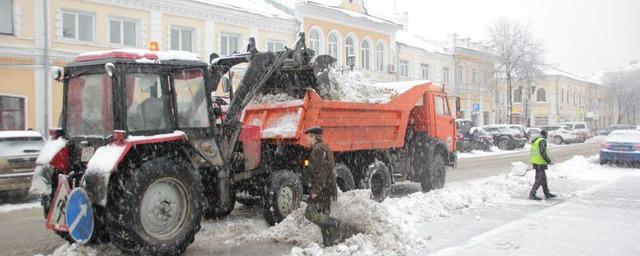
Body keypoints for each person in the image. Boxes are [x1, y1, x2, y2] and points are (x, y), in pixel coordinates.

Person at [303, 126, 355, 246]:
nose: (307, 140)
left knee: (310, 213)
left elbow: (321, 173)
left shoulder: (318, 150)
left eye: (308, 137)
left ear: (313, 137)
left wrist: (315, 190)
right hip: (327, 188)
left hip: (322, 189)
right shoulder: (325, 148)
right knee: (324, 215)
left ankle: (337, 224)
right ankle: (329, 243)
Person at [529, 130, 557, 200]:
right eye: (547, 135)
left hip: (536, 162)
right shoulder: (542, 141)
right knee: (539, 179)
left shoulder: (536, 140)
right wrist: (549, 161)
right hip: (540, 163)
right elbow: (542, 152)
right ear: (545, 135)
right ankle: (532, 193)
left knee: (543, 178)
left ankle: (546, 193)